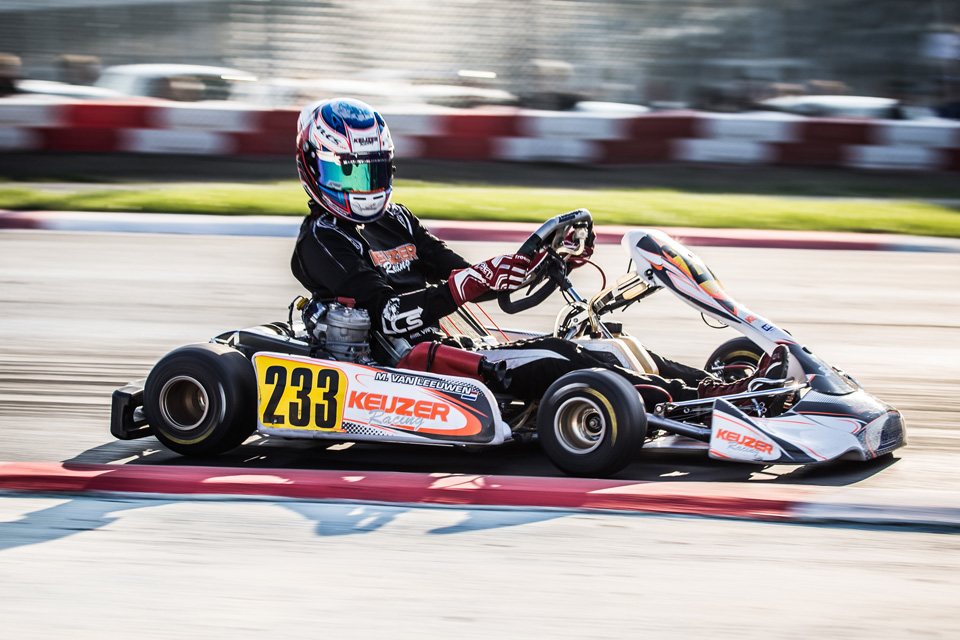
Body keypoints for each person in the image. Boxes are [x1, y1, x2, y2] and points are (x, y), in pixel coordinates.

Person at [290, 98, 788, 408]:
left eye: (373, 172)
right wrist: (466, 285)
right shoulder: (323, 240)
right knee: (557, 362)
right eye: (350, 173)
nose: (365, 186)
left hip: (448, 344)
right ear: (315, 167)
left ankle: (716, 387)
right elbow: (388, 314)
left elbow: (458, 272)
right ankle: (687, 403)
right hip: (401, 365)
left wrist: (537, 263)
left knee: (602, 342)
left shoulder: (395, 219)